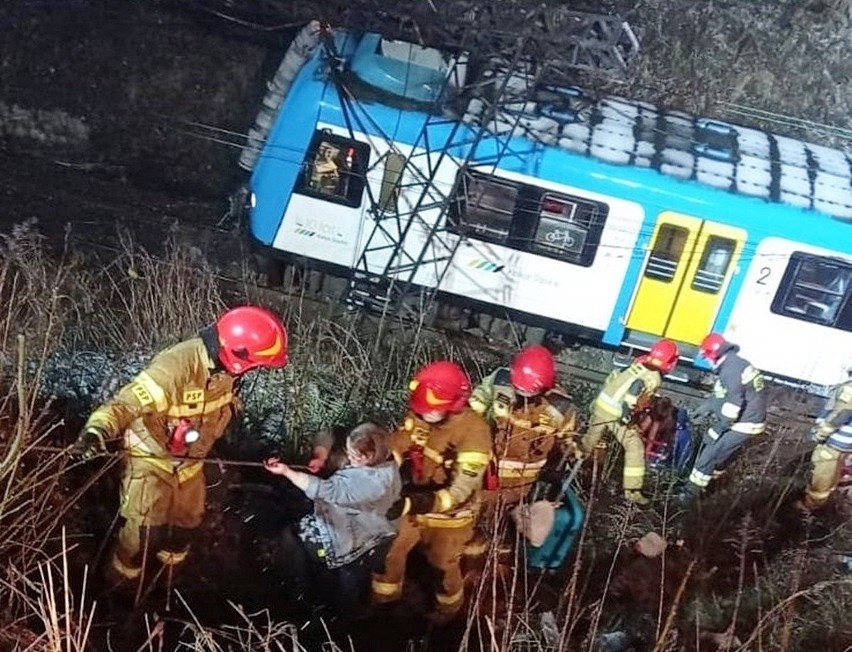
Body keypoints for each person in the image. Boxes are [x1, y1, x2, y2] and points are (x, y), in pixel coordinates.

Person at [72, 305, 288, 583]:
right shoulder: (177, 367)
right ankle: (118, 591)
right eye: (256, 364)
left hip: (189, 462)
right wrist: (96, 431)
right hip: (150, 455)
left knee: (184, 531)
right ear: (238, 356)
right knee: (144, 535)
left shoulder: (228, 373)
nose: (256, 370)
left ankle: (163, 585)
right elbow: (125, 404)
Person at [371, 361, 492, 620]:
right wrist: (379, 458)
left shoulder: (475, 433)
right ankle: (384, 601)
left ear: (454, 404)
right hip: (415, 501)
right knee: (390, 548)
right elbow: (404, 439)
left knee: (442, 564)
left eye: (430, 412)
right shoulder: (424, 411)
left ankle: (448, 611)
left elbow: (460, 491)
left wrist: (412, 503)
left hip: (451, 516)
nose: (423, 415)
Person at [263, 422, 401, 621]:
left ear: (369, 456)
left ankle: (302, 600)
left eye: (354, 456)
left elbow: (326, 490)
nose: (350, 458)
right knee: (343, 585)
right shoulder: (384, 458)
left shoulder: (373, 483)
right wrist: (321, 456)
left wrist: (286, 472)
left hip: (357, 538)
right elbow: (328, 430)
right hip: (370, 529)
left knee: (294, 538)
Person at [467, 345, 578, 553]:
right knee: (466, 527)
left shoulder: (561, 409)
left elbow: (564, 449)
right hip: (483, 474)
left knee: (502, 536)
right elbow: (473, 409)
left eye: (529, 393)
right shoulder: (500, 380)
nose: (522, 397)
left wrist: (554, 483)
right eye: (518, 391)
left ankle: (494, 569)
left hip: (519, 487)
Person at [582, 339, 680, 505]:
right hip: (616, 412)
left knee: (590, 441)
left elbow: (615, 377)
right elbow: (636, 388)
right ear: (670, 361)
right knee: (634, 446)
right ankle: (632, 491)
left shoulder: (639, 364)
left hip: (601, 404)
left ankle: (572, 462)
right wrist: (627, 410)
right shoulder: (654, 377)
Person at [680, 333, 766, 501]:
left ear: (713, 354)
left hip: (743, 424)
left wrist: (717, 430)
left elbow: (734, 404)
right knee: (719, 458)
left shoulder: (730, 370)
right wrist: (705, 408)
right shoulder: (734, 363)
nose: (706, 360)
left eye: (706, 357)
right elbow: (721, 394)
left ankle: (688, 497)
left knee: (708, 456)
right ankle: (710, 488)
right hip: (748, 421)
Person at [797, 361, 852, 511]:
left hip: (835, 442)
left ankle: (809, 509)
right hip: (846, 445)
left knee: (822, 476)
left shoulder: (849, 389)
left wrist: (819, 434)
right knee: (833, 475)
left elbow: (840, 414)